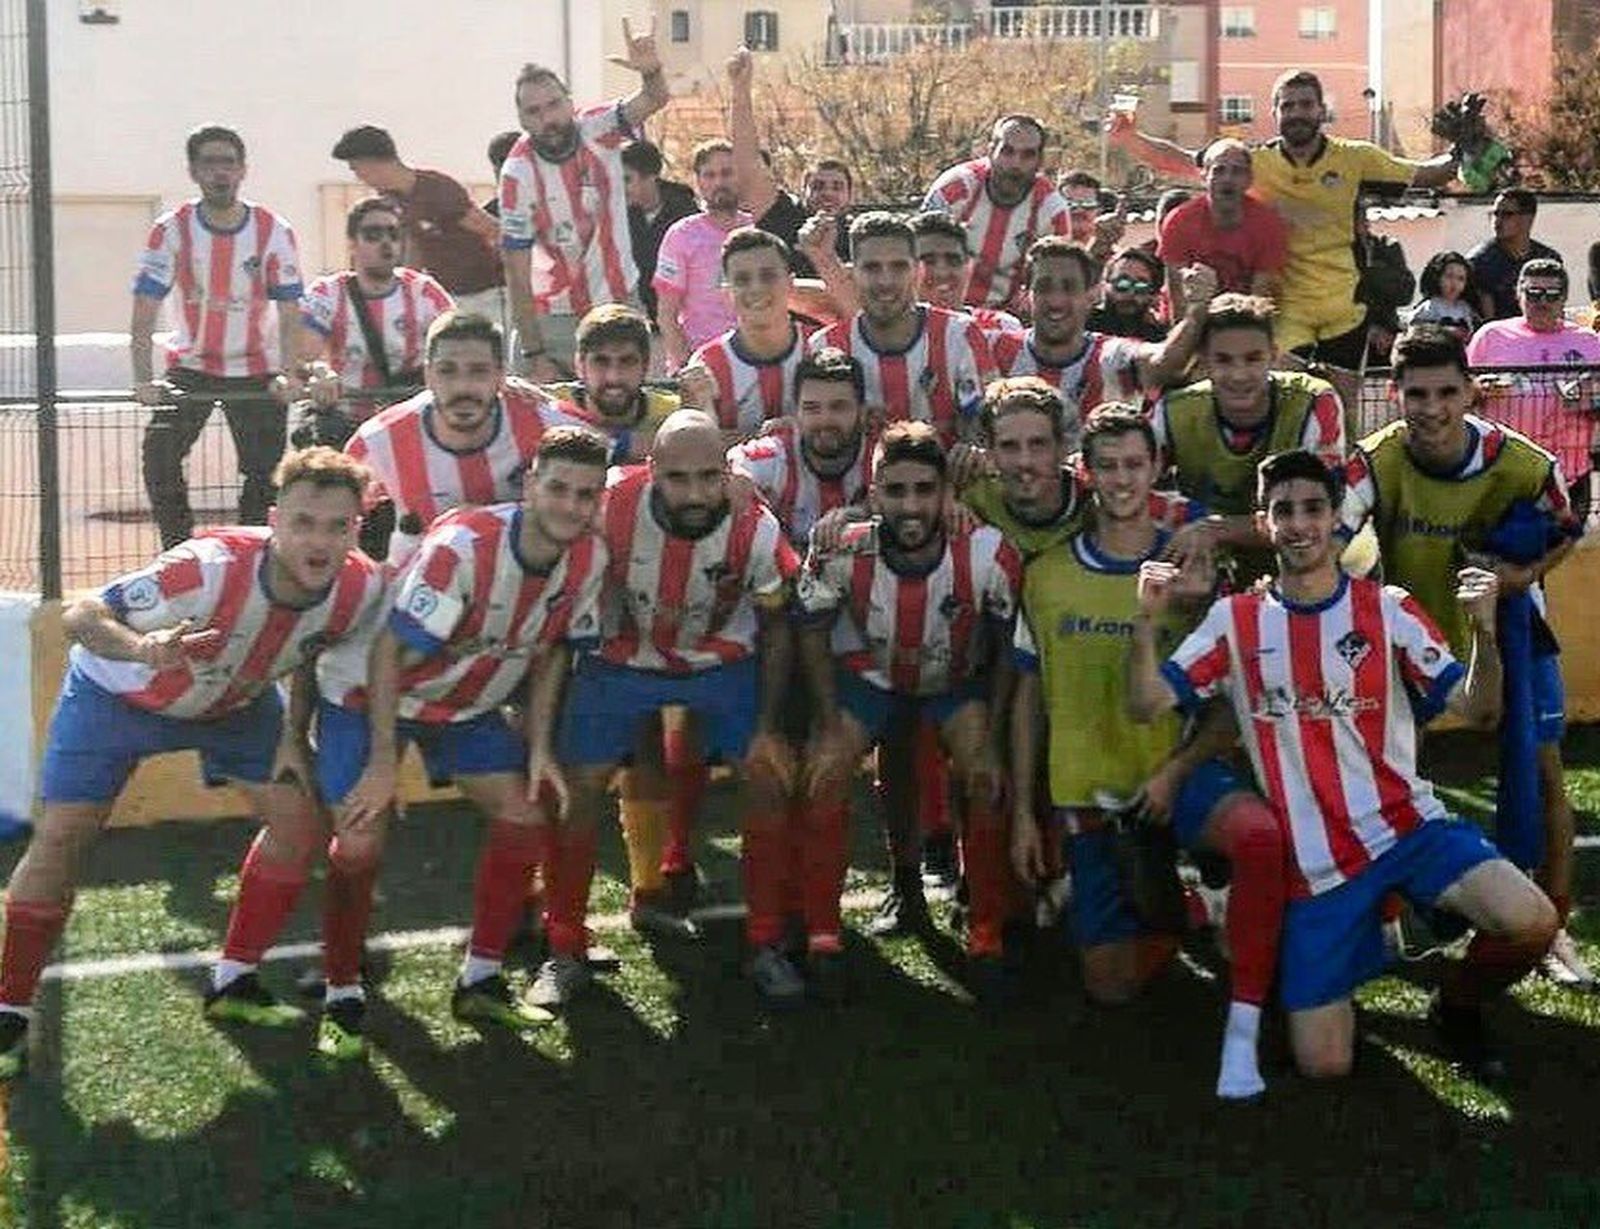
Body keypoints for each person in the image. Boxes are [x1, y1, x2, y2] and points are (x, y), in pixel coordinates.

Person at [1131, 448, 1558, 1083]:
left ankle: (1456, 1004)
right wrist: (1145, 620)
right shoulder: (1235, 620)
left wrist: (1485, 635)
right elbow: (1146, 705)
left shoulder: (1387, 608)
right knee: (1324, 1064)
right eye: (1284, 511)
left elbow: (1478, 710)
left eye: (1313, 508)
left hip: (1409, 829)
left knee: (1534, 921)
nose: (1300, 524)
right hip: (1317, 867)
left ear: (1337, 519)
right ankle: (1390, 939)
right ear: (1265, 522)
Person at [0, 447, 387, 1074]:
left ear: (357, 527)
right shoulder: (207, 567)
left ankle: (234, 982)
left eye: (337, 526)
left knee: (300, 828)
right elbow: (82, 614)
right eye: (303, 522)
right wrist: (144, 648)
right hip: (116, 699)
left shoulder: (362, 587)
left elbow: (319, 653)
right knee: (61, 840)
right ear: (273, 519)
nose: (319, 541)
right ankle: (9, 1011)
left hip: (237, 708)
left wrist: (293, 734)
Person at [241, 425, 610, 1057]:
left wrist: (542, 745)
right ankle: (342, 987)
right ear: (530, 486)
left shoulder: (590, 556)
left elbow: (552, 650)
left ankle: (482, 978)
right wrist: (385, 759)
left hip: (464, 707)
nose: (570, 506)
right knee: (358, 838)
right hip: (368, 694)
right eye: (558, 489)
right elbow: (389, 651)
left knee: (524, 815)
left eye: (585, 494)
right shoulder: (465, 547)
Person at [1010, 405, 1285, 1099]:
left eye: (1135, 463)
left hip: (1183, 776)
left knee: (1257, 837)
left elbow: (1230, 700)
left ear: (1156, 467)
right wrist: (1022, 809)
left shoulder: (1194, 568)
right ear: (1086, 472)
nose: (1123, 477)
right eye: (1108, 465)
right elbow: (1029, 695)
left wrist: (1176, 771)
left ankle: (1244, 927)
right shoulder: (1045, 574)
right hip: (1092, 790)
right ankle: (1181, 906)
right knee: (1110, 986)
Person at [1347, 324, 1588, 987]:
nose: (1431, 408)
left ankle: (1554, 926)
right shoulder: (1373, 460)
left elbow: (1567, 525)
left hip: (1508, 627)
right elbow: (1336, 535)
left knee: (1544, 770)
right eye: (1416, 393)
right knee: (1385, 774)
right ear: (1394, 393)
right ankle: (1392, 910)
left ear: (1472, 391)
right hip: (1412, 633)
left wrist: (1517, 579)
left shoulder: (1524, 461)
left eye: (1446, 392)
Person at [550, 410, 802, 1004]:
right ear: (652, 470)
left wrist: (767, 727)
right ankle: (563, 948)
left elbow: (779, 623)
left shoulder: (754, 526)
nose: (696, 494)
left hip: (722, 661)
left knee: (766, 777)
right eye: (679, 478)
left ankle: (767, 940)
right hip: (621, 661)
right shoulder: (610, 502)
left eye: (709, 477)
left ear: (727, 472)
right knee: (577, 786)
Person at [797, 422, 1021, 1002]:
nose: (911, 504)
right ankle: (826, 932)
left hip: (954, 683)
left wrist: (994, 736)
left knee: (983, 773)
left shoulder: (987, 551)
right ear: (873, 495)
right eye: (895, 491)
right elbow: (812, 633)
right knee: (825, 770)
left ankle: (985, 929)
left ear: (946, 491)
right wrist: (826, 721)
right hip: (873, 681)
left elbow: (1003, 652)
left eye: (924, 489)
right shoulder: (842, 549)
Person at [1112, 68, 1457, 368]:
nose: (1297, 113)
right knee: (1288, 408)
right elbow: (1183, 161)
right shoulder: (1254, 162)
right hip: (1281, 311)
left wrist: (1464, 148)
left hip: (1343, 309)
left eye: (1305, 104)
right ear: (1274, 113)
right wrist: (1130, 138)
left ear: (1322, 110)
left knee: (1341, 410)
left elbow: (1426, 175)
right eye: (1287, 105)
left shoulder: (1357, 158)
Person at [134, 124, 305, 549]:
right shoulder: (171, 229)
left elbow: (289, 312)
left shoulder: (272, 229)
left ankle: (249, 558)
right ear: (193, 171)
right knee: (159, 456)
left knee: (265, 474)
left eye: (228, 163)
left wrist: (289, 374)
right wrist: (143, 379)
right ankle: (178, 553)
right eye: (209, 163)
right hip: (192, 367)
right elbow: (144, 307)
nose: (219, 172)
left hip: (256, 368)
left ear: (243, 170)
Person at [344, 311, 593, 565]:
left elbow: (627, 455)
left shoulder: (545, 422)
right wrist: (371, 582)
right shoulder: (379, 440)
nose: (462, 387)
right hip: (421, 592)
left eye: (478, 371)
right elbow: (326, 513)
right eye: (447, 371)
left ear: (501, 376)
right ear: (428, 375)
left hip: (525, 589)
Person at [499, 19, 670, 379]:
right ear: (522, 120)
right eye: (535, 112)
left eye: (554, 104)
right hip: (554, 319)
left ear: (569, 103)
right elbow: (516, 272)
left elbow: (654, 99)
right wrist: (534, 352)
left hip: (619, 302)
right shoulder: (518, 174)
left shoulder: (598, 127)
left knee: (628, 417)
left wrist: (651, 69)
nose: (548, 118)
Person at [1147, 293, 1346, 581]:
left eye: (1252, 359)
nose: (1239, 375)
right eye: (1224, 360)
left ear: (1274, 356)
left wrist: (1216, 528)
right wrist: (1190, 516)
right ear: (1204, 362)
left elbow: (1323, 515)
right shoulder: (1174, 410)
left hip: (1294, 571)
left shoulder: (1314, 401)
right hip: (1201, 570)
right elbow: (1130, 490)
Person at [991, 236, 1216, 452]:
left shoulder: (1112, 355)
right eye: (1044, 287)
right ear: (1025, 295)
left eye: (1069, 287)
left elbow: (1166, 365)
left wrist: (1198, 308)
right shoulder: (996, 348)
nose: (1056, 300)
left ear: (1092, 295)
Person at [807, 213, 997, 446]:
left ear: (917, 271)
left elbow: (986, 426)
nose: (886, 281)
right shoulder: (826, 346)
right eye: (872, 268)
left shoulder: (961, 335)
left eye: (898, 267)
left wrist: (972, 449)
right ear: (853, 273)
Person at [294, 198, 454, 448]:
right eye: (372, 234)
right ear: (351, 244)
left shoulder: (422, 290)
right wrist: (320, 372)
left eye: (393, 233)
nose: (386, 242)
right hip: (344, 420)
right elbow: (303, 355)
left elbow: (457, 343)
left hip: (407, 419)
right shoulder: (327, 292)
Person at [330, 125, 503, 317]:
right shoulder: (393, 199)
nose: (359, 178)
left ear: (373, 163)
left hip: (487, 293)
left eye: (357, 169)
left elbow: (491, 229)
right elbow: (416, 244)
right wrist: (405, 290)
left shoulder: (437, 189)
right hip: (448, 296)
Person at [1466, 258, 1600, 502]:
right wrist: (1477, 389)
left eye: (1552, 295)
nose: (1542, 302)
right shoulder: (1490, 336)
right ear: (1519, 294)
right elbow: (1457, 392)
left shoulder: (1589, 342)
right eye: (1534, 293)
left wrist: (1591, 399)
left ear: (1564, 299)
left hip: (1569, 473)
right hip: (1503, 472)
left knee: (1568, 542)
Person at [921, 114, 1074, 313]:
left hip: (1005, 317)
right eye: (1007, 151)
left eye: (1027, 155)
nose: (1016, 164)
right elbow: (918, 255)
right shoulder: (955, 188)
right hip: (941, 308)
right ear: (990, 149)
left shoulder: (1053, 211)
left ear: (1040, 160)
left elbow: (1058, 282)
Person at [728, 347, 875, 550]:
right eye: (811, 408)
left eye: (838, 407)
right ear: (795, 412)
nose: (825, 420)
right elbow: (735, 464)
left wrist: (862, 512)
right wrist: (736, 477)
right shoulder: (776, 456)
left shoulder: (881, 458)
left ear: (862, 411)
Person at [726, 47, 854, 279]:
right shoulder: (784, 217)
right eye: (818, 186)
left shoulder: (860, 236)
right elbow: (749, 165)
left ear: (851, 195)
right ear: (803, 188)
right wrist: (740, 90)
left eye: (837, 187)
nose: (827, 194)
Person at [682, 229, 806, 435]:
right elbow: (700, 453)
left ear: (790, 284)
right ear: (727, 292)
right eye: (742, 279)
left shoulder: (822, 346)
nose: (756, 288)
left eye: (768, 276)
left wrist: (797, 430)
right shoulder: (708, 364)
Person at [654, 140, 754, 371]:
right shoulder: (681, 235)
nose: (719, 182)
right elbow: (667, 315)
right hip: (702, 363)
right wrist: (686, 366)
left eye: (727, 173)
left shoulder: (758, 228)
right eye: (709, 175)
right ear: (698, 181)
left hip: (755, 360)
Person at [1156, 138, 1287, 311]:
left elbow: (1259, 300)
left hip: (1244, 316)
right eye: (1219, 170)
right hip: (1192, 313)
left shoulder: (1268, 224)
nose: (1228, 178)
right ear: (1204, 176)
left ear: (1249, 179)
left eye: (1237, 171)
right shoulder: (1179, 221)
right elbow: (1177, 298)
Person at [543, 304, 681, 463]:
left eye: (627, 361)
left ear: (645, 366)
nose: (614, 377)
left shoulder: (673, 414)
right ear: (579, 365)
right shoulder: (546, 405)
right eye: (601, 362)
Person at [909, 211, 1023, 345]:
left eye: (953, 260)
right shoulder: (885, 336)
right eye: (928, 261)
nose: (942, 273)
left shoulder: (1003, 327)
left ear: (969, 266)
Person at [623, 140, 698, 325]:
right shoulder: (621, 215)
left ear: (650, 177)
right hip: (637, 321)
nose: (620, 188)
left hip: (680, 321)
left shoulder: (685, 215)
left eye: (627, 179)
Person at [1467, 189, 1562, 322]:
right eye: (1495, 214)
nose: (1497, 221)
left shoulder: (1548, 258)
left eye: (1506, 214)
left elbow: (1557, 306)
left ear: (1528, 219)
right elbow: (1485, 318)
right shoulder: (1479, 261)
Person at [1353, 205, 1416, 366]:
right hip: (1346, 339)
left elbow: (1405, 293)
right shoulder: (1332, 254)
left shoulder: (1387, 247)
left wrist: (1369, 269)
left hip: (1387, 340)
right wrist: (1367, 330)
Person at [1085, 247, 1170, 342]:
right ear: (1105, 285)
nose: (1131, 292)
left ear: (1153, 294)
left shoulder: (1158, 340)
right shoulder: (1078, 325)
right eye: (1122, 283)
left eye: (1140, 286)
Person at [1405, 250, 1481, 340]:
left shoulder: (1466, 309)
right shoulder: (1430, 307)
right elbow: (1414, 331)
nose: (1454, 283)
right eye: (1449, 276)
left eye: (1461, 279)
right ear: (1437, 277)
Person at [1057, 169, 1125, 268]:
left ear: (1099, 209)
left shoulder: (1118, 259)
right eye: (1069, 203)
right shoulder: (1043, 251)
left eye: (1088, 202)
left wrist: (1102, 244)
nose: (1079, 209)